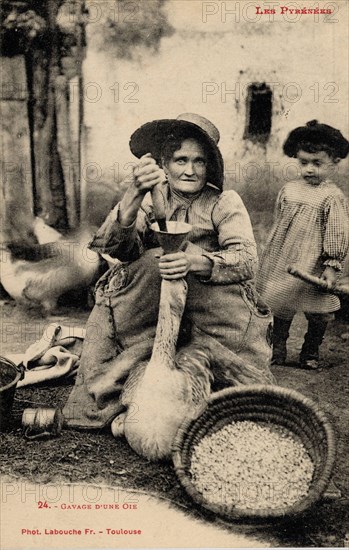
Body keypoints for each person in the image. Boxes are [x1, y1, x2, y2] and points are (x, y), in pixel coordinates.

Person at [64, 113, 274, 429]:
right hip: (150, 307)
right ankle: (133, 397)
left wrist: (196, 261)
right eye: (180, 160)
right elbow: (117, 249)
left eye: (199, 161)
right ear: (165, 163)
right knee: (113, 369)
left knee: (230, 388)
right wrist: (132, 197)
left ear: (210, 166)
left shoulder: (223, 202)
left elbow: (246, 259)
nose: (189, 170)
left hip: (210, 309)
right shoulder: (152, 197)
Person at [257, 120, 349, 370]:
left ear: (333, 162)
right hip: (286, 259)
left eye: (317, 163)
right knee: (281, 303)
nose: (309, 169)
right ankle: (277, 348)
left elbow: (337, 232)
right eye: (304, 162)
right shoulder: (289, 189)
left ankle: (310, 350)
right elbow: (280, 223)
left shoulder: (332, 197)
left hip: (314, 262)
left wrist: (331, 265)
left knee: (318, 310)